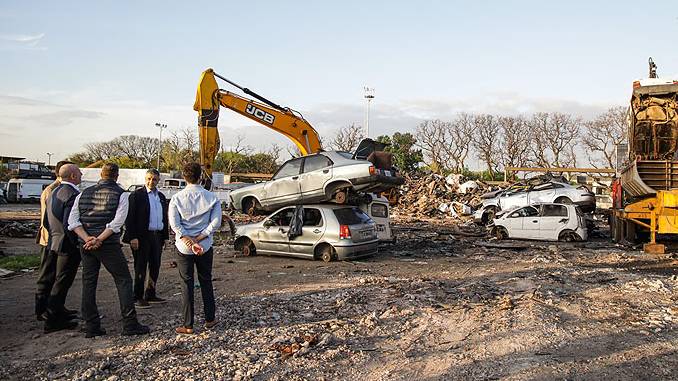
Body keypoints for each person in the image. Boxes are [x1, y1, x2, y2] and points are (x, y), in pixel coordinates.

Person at [67, 163, 150, 338]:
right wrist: (99, 239)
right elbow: (117, 222)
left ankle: (91, 325)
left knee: (89, 282)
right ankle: (129, 323)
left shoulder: (83, 194)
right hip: (108, 244)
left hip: (86, 244)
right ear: (117, 176)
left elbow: (73, 221)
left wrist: (87, 238)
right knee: (124, 280)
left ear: (101, 174)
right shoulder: (121, 195)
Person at [168, 162, 221, 334]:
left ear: (184, 177)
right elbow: (216, 223)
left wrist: (189, 240)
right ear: (201, 177)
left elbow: (175, 224)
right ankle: (210, 319)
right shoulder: (212, 198)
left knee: (186, 283)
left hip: (184, 247)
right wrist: (199, 238)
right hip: (204, 245)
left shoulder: (176, 198)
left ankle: (188, 324)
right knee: (206, 280)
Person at [42, 164, 83, 332]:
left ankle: (59, 311)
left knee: (57, 280)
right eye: (79, 172)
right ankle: (52, 320)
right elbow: (70, 224)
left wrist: (54, 236)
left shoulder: (53, 192)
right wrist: (76, 243)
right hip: (67, 246)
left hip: (54, 242)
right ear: (73, 176)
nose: (81, 174)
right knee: (62, 282)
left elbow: (46, 221)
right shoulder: (73, 195)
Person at [35, 160, 75, 321]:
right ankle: (42, 310)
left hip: (54, 239)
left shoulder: (59, 189)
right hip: (51, 240)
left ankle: (56, 307)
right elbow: (49, 219)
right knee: (47, 276)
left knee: (57, 276)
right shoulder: (52, 190)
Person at [123, 169, 169, 308]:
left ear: (158, 180)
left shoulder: (160, 196)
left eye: (154, 179)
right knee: (140, 266)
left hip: (157, 235)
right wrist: (132, 237)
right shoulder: (137, 195)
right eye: (149, 178)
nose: (151, 182)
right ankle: (137, 296)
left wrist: (165, 237)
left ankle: (151, 292)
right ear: (145, 179)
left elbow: (164, 217)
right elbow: (130, 218)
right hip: (142, 237)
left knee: (155, 265)